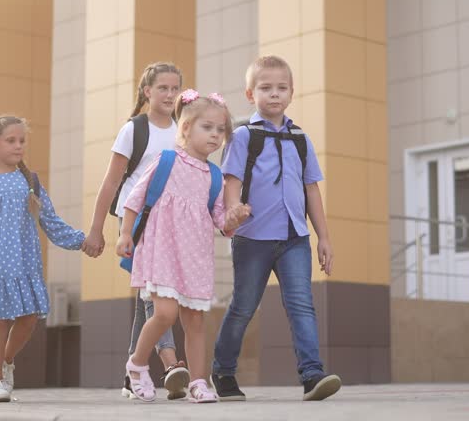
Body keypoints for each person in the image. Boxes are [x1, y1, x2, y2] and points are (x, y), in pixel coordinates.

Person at [211, 55, 341, 401]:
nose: (274, 94)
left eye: (281, 88)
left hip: (295, 238)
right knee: (243, 307)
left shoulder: (301, 139)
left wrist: (324, 238)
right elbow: (231, 181)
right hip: (252, 238)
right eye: (266, 88)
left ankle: (312, 375)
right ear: (250, 94)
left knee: (302, 305)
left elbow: (311, 189)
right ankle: (223, 371)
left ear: (291, 93)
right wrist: (233, 212)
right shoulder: (242, 136)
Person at [116, 89, 251, 403]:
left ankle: (199, 382)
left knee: (195, 322)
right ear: (187, 128)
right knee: (164, 314)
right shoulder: (166, 161)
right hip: (162, 250)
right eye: (208, 127)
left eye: (221, 130)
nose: (216, 135)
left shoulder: (214, 175)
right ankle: (137, 364)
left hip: (195, 257)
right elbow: (135, 198)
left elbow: (220, 221)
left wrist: (234, 217)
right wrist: (124, 234)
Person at [0, 116, 86, 402]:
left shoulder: (30, 182)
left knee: (29, 319)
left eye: (22, 141)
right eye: (11, 140)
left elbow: (50, 221)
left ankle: (6, 360)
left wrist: (82, 241)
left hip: (26, 264)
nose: (18, 146)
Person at [82, 62, 190, 399]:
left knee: (149, 293)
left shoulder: (182, 129)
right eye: (162, 88)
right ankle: (170, 363)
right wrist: (97, 229)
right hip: (136, 221)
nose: (169, 95)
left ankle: (133, 372)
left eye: (175, 89)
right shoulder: (134, 129)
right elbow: (111, 182)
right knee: (152, 291)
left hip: (169, 223)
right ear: (147, 92)